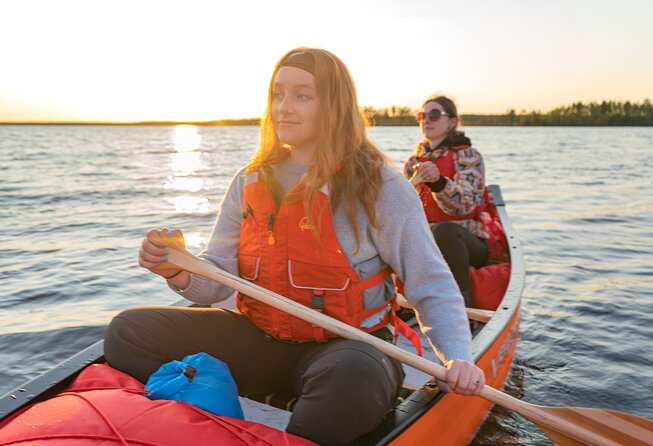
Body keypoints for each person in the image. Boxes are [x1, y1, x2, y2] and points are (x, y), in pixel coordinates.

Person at [104, 49, 485, 445]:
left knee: (351, 378)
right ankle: (224, 414)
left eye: (303, 95)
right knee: (127, 332)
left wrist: (458, 357)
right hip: (261, 339)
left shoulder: (383, 187)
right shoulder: (248, 181)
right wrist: (180, 272)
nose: (283, 108)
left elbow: (432, 285)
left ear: (334, 106)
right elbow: (217, 279)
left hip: (349, 349)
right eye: (277, 94)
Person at [403, 95, 489, 308]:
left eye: (433, 114)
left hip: (466, 242)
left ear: (452, 121)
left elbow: (465, 206)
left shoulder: (469, 156)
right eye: (422, 115)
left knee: (444, 231)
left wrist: (439, 183)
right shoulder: (413, 162)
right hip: (427, 242)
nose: (426, 120)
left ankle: (462, 306)